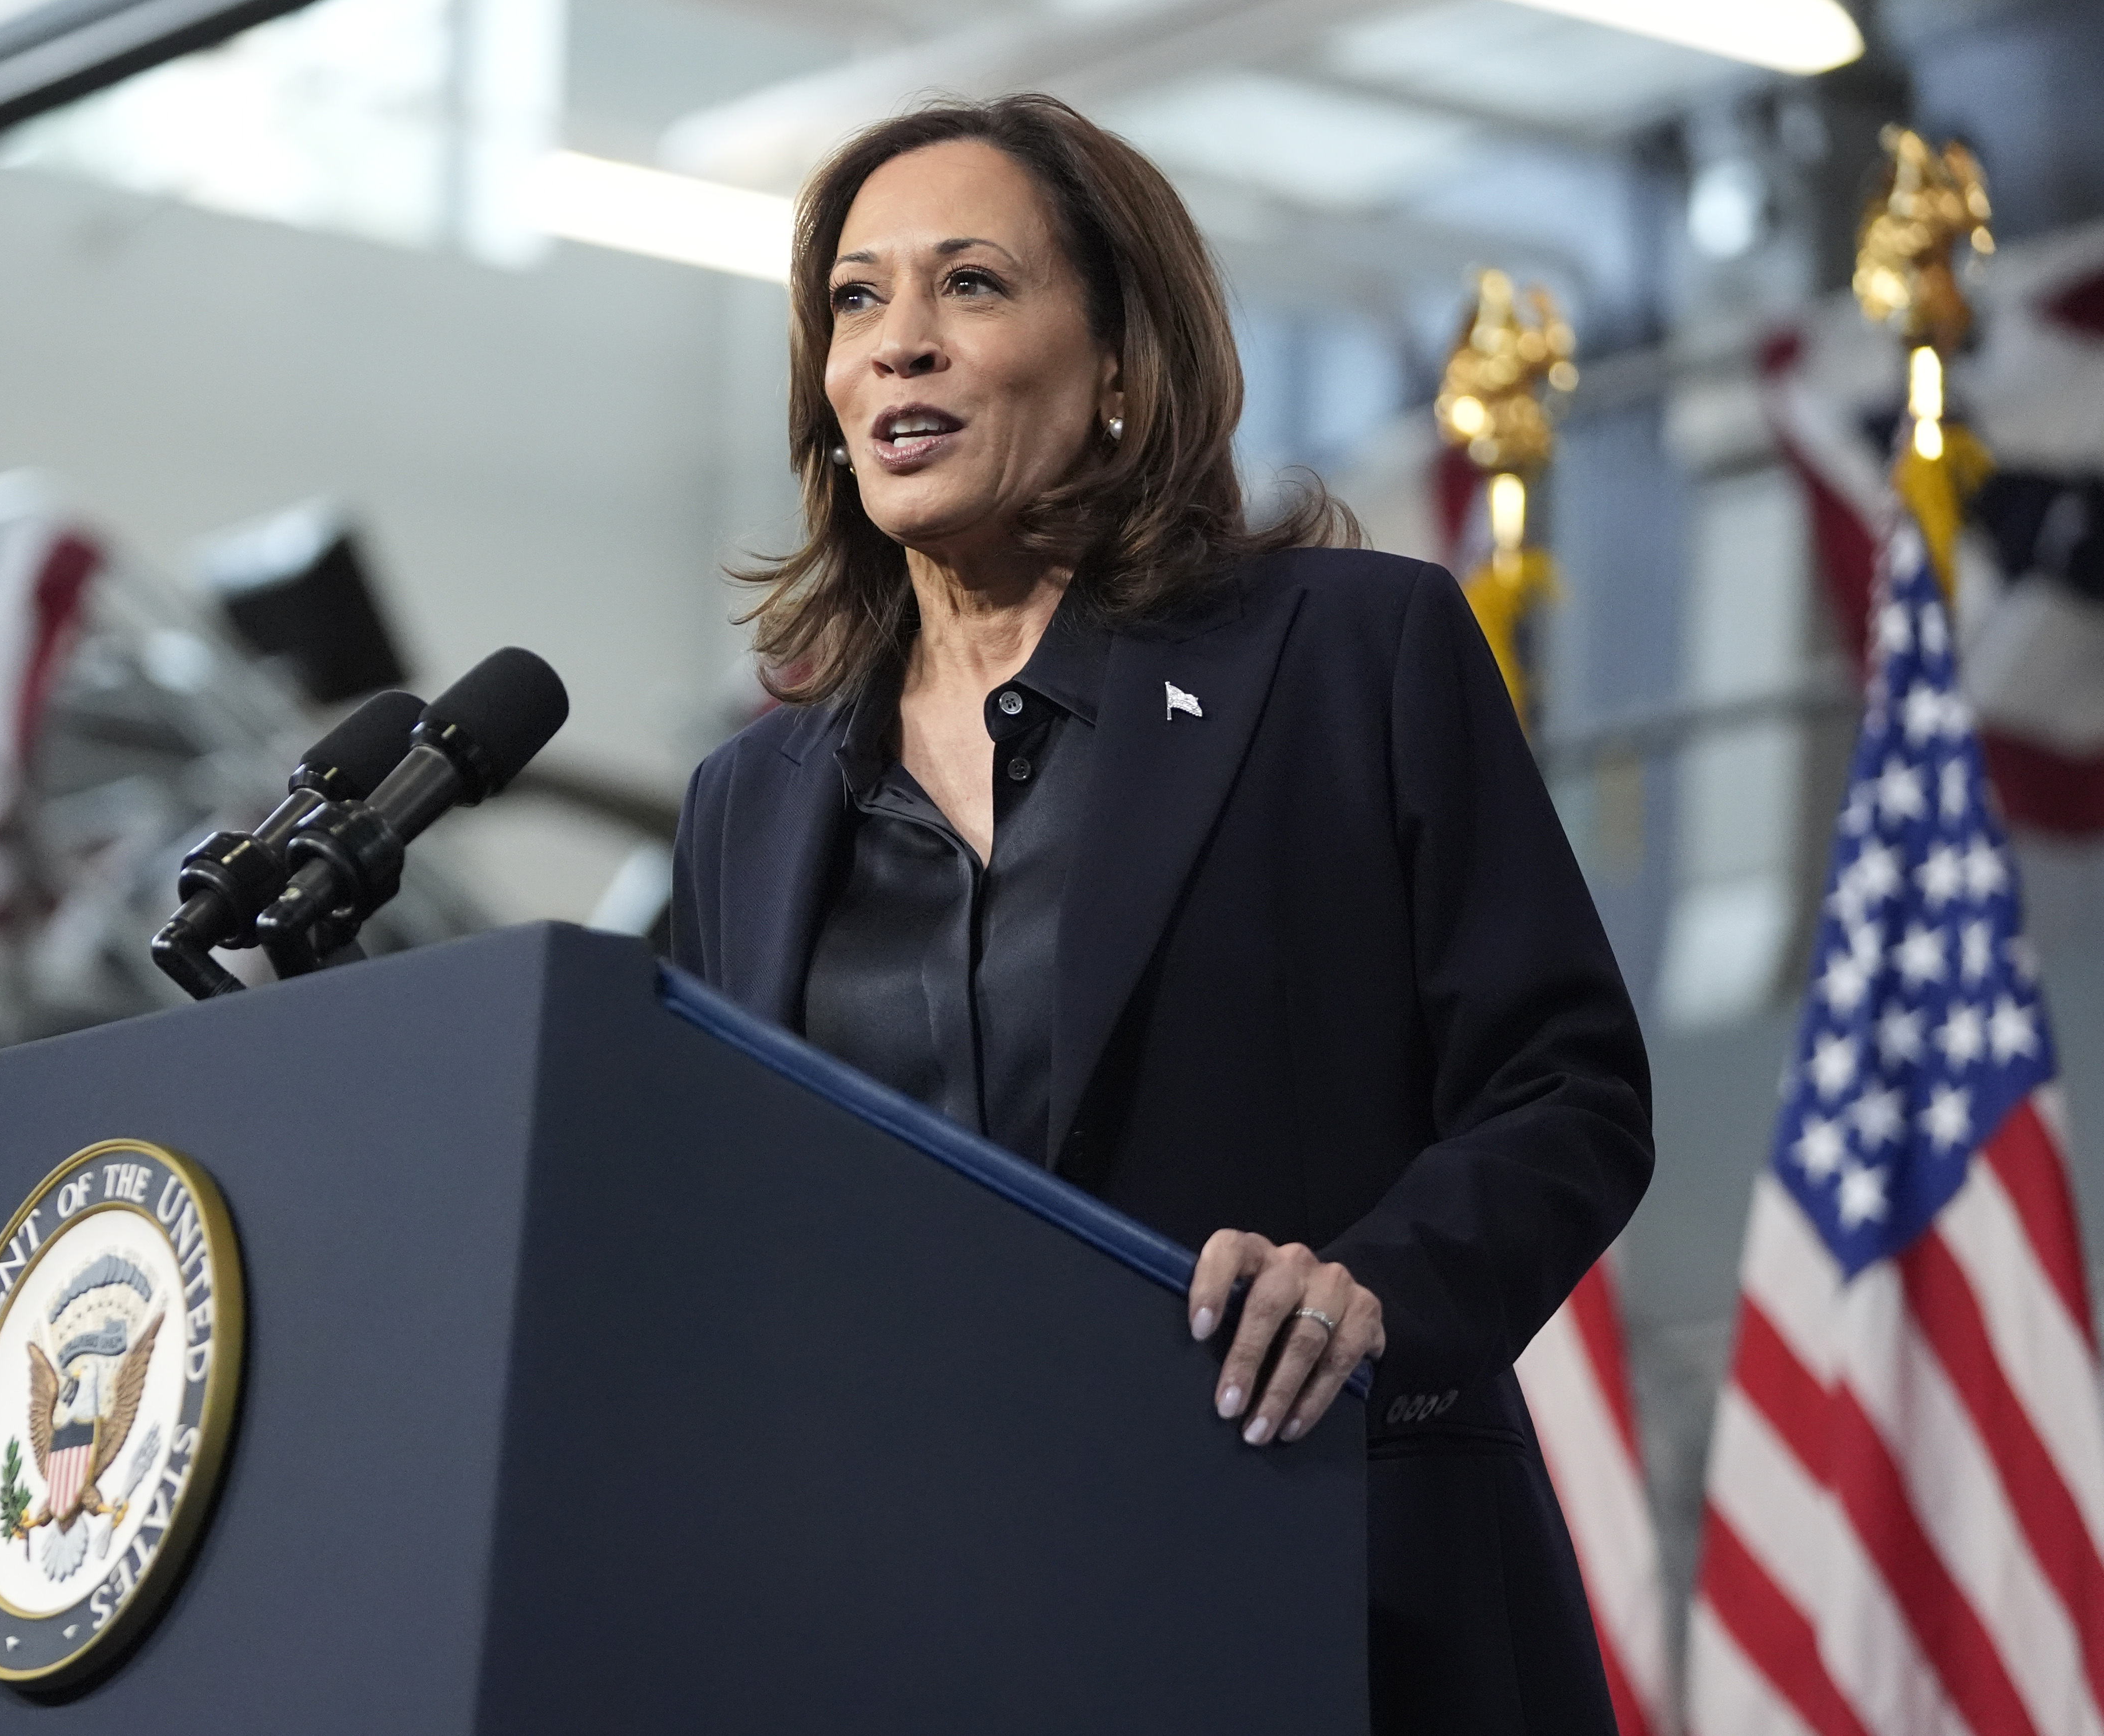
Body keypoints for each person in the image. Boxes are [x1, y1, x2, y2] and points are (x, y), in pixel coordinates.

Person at [667, 92, 1653, 1734]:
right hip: (925, 1631)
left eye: (970, 285)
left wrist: (1370, 1290)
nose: (898, 344)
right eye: (856, 300)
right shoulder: (753, 806)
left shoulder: (1352, 652)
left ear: (1122, 362)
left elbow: (1569, 1092)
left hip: (1332, 1582)